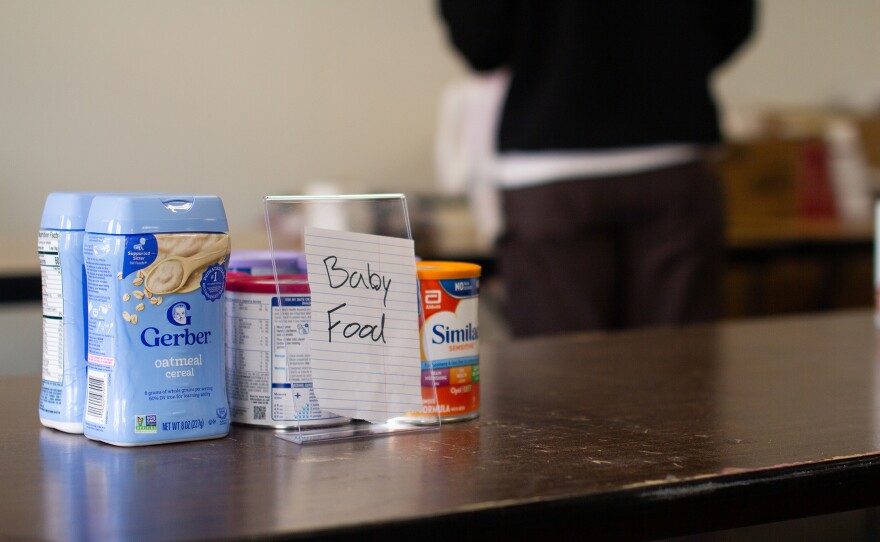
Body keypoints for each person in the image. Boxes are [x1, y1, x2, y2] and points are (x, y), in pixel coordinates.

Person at [437, 1, 756, 336]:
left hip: (549, 163)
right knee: (678, 370)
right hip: (672, 146)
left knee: (561, 375)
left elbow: (480, 40)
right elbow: (734, 22)